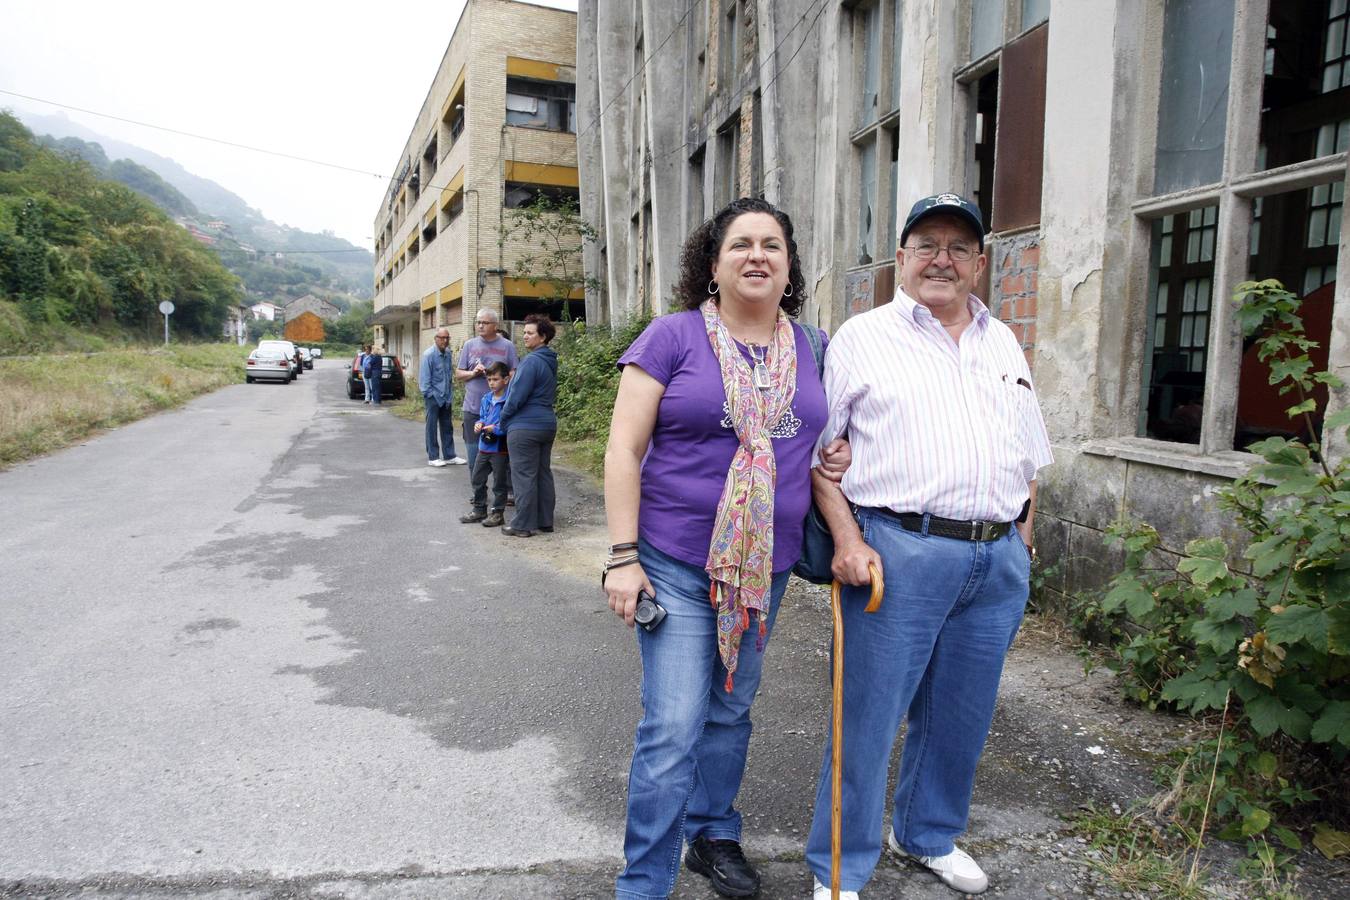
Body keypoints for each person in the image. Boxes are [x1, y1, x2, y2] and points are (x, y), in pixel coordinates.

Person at [804, 193, 1053, 899]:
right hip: (898, 551)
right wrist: (848, 538)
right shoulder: (864, 336)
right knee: (868, 718)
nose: (941, 259)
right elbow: (821, 458)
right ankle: (838, 873)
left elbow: (1029, 452)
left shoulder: (1001, 340)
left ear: (979, 263)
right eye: (926, 245)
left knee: (961, 717)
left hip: (996, 558)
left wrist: (1021, 546)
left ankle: (928, 835)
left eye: (958, 247)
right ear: (902, 259)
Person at [603, 197, 848, 900]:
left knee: (731, 712)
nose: (757, 256)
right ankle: (643, 884)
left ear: (790, 265)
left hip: (762, 569)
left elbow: (824, 440)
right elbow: (624, 448)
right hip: (676, 563)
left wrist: (838, 456)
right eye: (740, 244)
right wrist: (623, 558)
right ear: (713, 265)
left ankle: (712, 834)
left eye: (772, 244)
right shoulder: (672, 338)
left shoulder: (814, 348)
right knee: (674, 724)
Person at [497, 314, 558, 537]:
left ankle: (522, 524)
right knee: (542, 473)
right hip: (546, 424)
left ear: (543, 337)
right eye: (524, 332)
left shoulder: (531, 361)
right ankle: (544, 521)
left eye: (530, 333)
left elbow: (516, 396)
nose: (525, 336)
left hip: (525, 427)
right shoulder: (550, 360)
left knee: (523, 475)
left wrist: (503, 419)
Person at [456, 308, 519, 472]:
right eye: (478, 322)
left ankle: (505, 493)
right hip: (473, 408)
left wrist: (500, 378)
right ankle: (478, 493)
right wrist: (473, 372)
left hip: (499, 410)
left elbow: (514, 373)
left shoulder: (507, 346)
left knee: (502, 455)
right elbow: (458, 373)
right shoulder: (470, 345)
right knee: (473, 454)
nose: (480, 326)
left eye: (485, 322)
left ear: (495, 325)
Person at [459, 362, 512, 527]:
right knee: (477, 478)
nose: (491, 383)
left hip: (500, 449)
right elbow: (482, 417)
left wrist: (495, 429)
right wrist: (479, 424)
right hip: (484, 447)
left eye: (495, 379)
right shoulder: (486, 398)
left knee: (499, 482)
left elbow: (510, 424)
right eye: (489, 379)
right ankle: (479, 509)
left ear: (506, 379)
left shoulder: (509, 400)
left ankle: (497, 513)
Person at [420, 327, 467, 467]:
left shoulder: (447, 353)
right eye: (442, 338)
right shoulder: (428, 355)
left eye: (447, 338)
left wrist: (449, 394)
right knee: (431, 427)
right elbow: (424, 381)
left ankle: (449, 455)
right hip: (433, 397)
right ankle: (433, 457)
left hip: (446, 397)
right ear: (436, 338)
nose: (445, 341)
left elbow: (448, 376)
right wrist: (431, 395)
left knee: (448, 426)